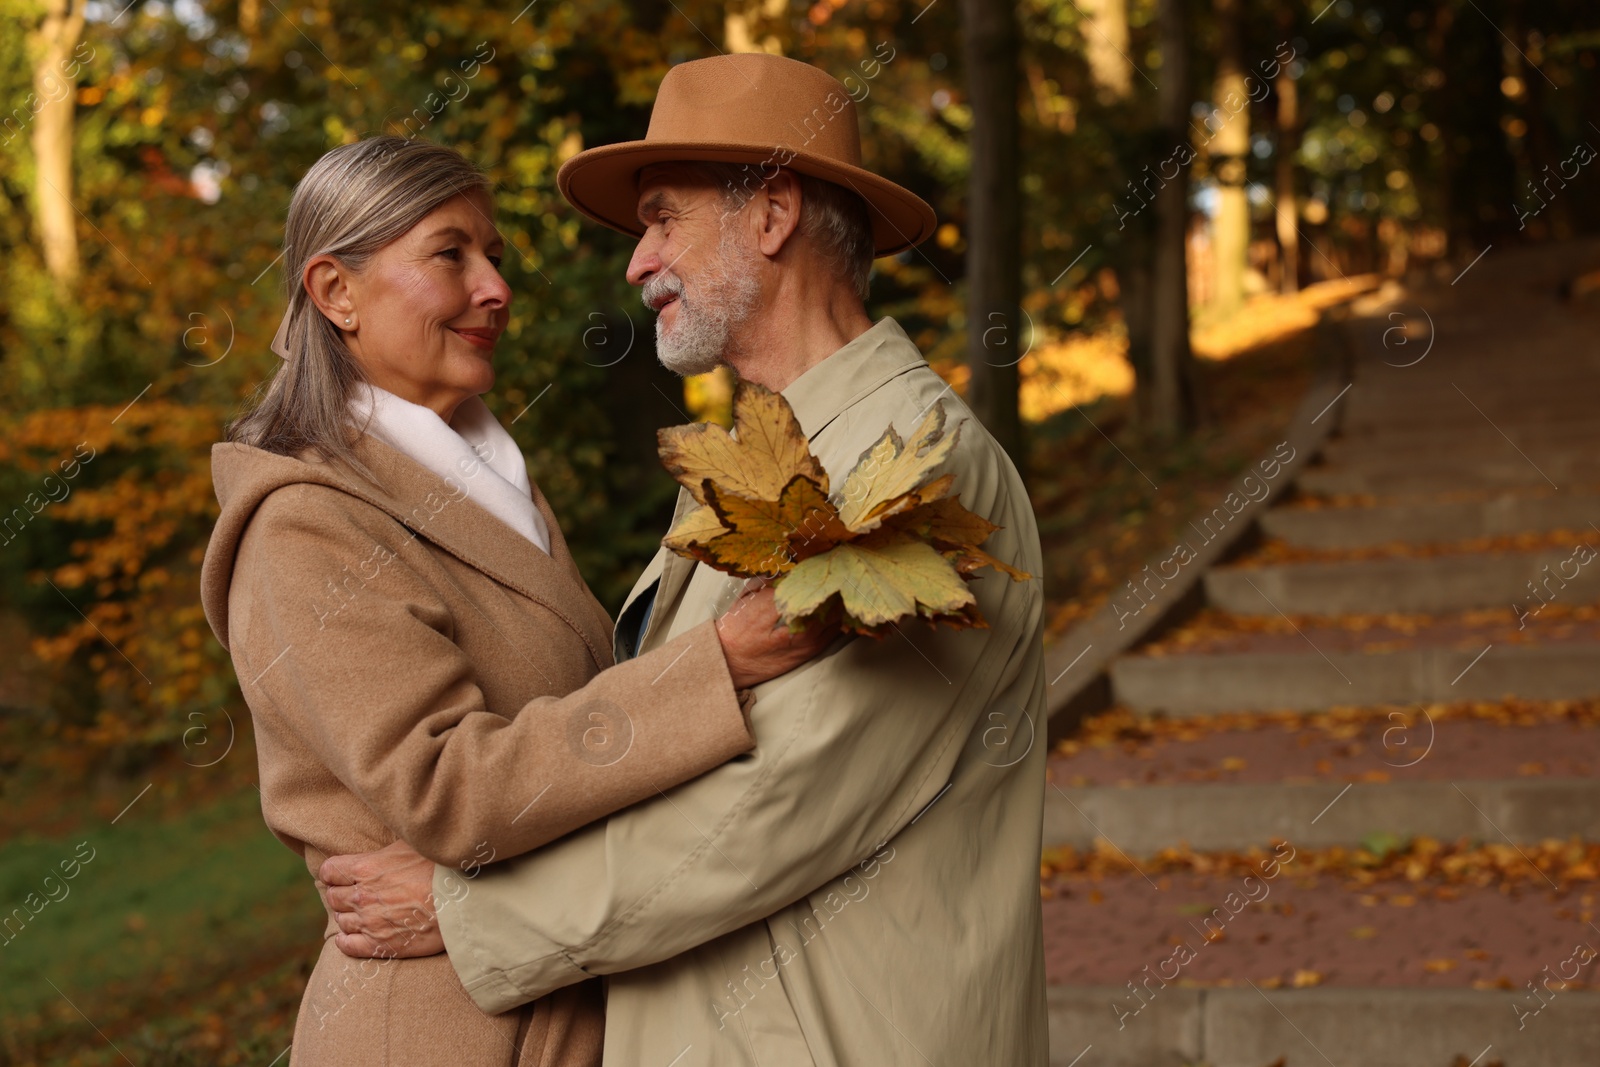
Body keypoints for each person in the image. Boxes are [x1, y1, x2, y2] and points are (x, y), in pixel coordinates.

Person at [321, 54, 1050, 1064]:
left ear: (772, 213)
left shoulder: (908, 463)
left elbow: (774, 804)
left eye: (663, 217)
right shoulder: (766, 460)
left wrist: (469, 913)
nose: (635, 261)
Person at [197, 134, 834, 1066]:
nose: (495, 287)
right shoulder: (305, 525)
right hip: (434, 1024)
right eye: (450, 253)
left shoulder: (481, 480)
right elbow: (450, 789)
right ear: (336, 292)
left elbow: (569, 736)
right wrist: (720, 663)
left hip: (539, 993)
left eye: (493, 255)